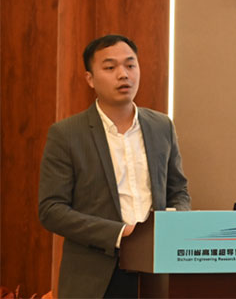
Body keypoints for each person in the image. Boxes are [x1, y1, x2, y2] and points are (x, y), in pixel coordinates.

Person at [38, 34, 191, 298]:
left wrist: (173, 224)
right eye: (110, 67)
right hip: (96, 276)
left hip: (157, 270)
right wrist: (121, 233)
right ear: (90, 78)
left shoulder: (161, 126)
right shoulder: (67, 134)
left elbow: (178, 190)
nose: (124, 74)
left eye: (130, 65)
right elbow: (51, 210)